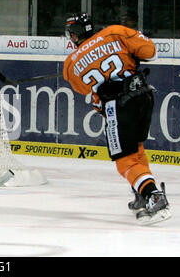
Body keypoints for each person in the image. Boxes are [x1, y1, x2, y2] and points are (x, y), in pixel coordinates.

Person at [63, 12, 170, 225]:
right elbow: (151, 52)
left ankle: (154, 196)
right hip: (143, 95)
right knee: (136, 149)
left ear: (74, 35)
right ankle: (141, 193)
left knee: (124, 161)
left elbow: (90, 91)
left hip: (118, 106)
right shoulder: (115, 32)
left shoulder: (70, 65)